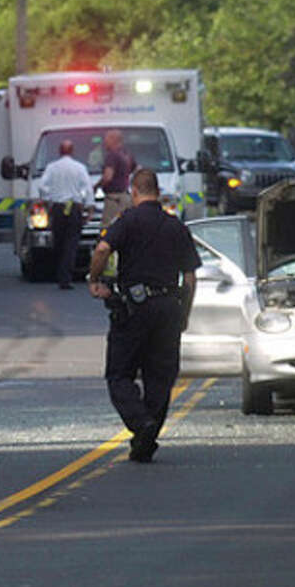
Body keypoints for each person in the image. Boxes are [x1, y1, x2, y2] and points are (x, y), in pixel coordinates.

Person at [86, 168, 200, 463]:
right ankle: (145, 441)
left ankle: (141, 424)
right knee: (160, 377)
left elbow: (101, 250)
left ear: (133, 191)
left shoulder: (127, 221)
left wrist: (93, 278)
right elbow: (190, 278)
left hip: (133, 309)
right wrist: (183, 314)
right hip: (168, 309)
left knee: (119, 374)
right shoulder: (176, 226)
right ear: (158, 191)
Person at [37, 139, 93, 290]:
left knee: (59, 242)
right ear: (72, 151)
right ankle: (66, 277)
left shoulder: (52, 167)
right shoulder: (79, 168)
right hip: (73, 208)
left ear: (59, 151)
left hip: (58, 208)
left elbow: (42, 186)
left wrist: (48, 199)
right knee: (71, 243)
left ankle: (60, 273)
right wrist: (89, 207)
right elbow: (87, 188)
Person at [95, 129, 136, 228]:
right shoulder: (126, 155)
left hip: (114, 199)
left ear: (113, 140)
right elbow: (135, 169)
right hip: (126, 197)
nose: (104, 142)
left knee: (108, 228)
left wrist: (96, 187)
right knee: (124, 227)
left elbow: (108, 177)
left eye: (106, 139)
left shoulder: (112, 155)